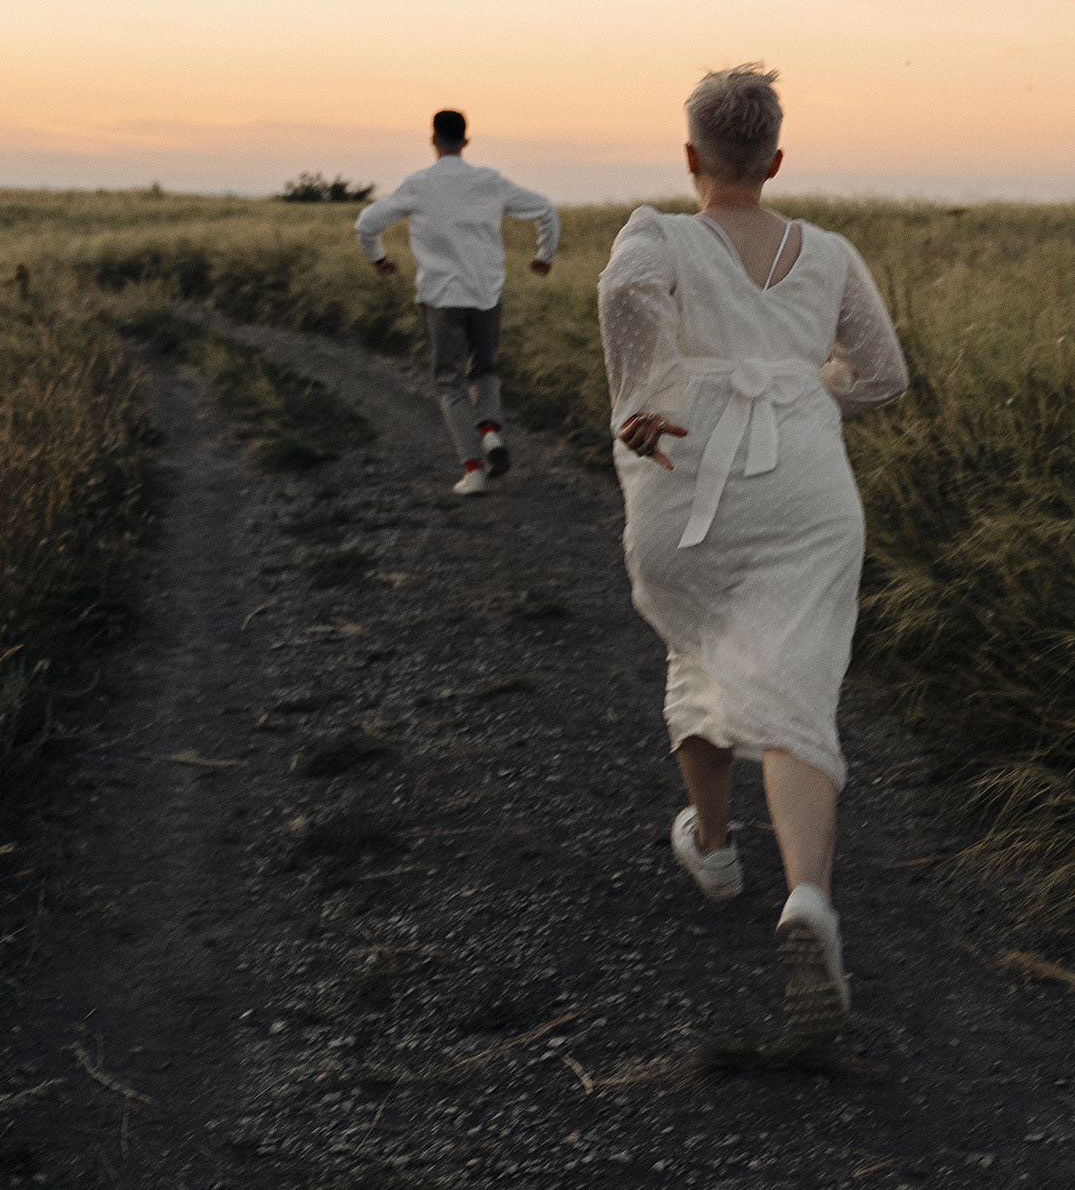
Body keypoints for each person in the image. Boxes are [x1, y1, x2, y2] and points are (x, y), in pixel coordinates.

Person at [597, 64, 909, 1043]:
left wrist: (643, 405)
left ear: (692, 156)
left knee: (697, 649)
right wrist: (805, 389)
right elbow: (885, 376)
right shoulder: (829, 251)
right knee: (797, 684)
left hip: (690, 467)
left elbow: (622, 295)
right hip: (808, 481)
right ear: (776, 159)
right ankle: (808, 897)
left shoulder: (656, 233)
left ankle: (718, 847)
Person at [354, 110, 560, 495]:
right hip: (486, 294)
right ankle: (491, 430)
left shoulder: (418, 185)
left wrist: (379, 259)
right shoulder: (490, 182)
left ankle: (473, 470)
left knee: (449, 382)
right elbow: (546, 210)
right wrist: (544, 256)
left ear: (433, 140)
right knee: (484, 368)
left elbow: (366, 223)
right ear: (466, 141)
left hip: (441, 297)